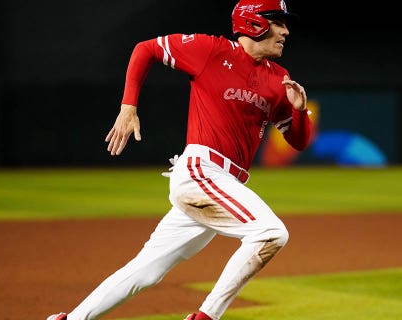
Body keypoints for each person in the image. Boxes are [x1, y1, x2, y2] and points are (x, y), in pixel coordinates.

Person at [47, 0, 311, 319]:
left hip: (223, 183)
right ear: (254, 23)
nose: (285, 30)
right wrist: (128, 107)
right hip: (202, 171)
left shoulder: (278, 78)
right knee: (271, 233)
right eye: (278, 22)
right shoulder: (211, 51)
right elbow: (146, 49)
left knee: (146, 270)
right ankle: (205, 316)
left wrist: (298, 110)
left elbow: (298, 141)